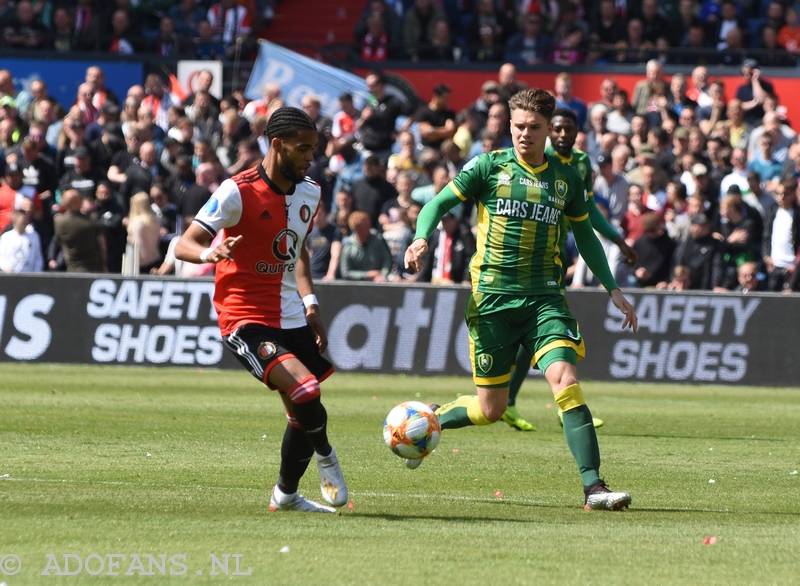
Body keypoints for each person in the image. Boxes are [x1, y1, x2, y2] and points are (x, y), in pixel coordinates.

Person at [404, 88, 638, 511]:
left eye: (533, 127)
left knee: (565, 381)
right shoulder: (488, 166)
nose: (524, 134)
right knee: (491, 409)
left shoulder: (566, 178)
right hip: (492, 301)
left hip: (545, 299)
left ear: (549, 130)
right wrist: (421, 239)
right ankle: (429, 420)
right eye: (518, 126)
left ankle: (594, 488)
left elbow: (584, 234)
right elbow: (436, 204)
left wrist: (613, 288)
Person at [175, 106, 347, 514]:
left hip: (290, 313)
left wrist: (310, 303)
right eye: (303, 149)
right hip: (244, 316)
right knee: (306, 388)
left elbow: (298, 249)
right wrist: (210, 251)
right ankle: (327, 457)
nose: (310, 157)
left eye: (314, 149)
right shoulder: (237, 190)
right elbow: (183, 244)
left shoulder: (310, 191)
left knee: (301, 408)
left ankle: (285, 496)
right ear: (276, 145)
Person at [502, 107, 637, 432]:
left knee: (539, 336)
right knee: (548, 333)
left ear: (578, 133)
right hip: (529, 258)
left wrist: (617, 239)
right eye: (557, 129)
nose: (563, 135)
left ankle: (518, 402)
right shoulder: (536, 155)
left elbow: (587, 209)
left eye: (569, 130)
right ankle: (556, 404)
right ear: (549, 130)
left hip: (558, 255)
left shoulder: (580, 163)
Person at [0, 208, 43, 273]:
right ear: (15, 220)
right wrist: (7, 268)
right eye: (23, 219)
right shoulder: (6, 237)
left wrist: (36, 273)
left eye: (26, 219)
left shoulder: (34, 236)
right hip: (11, 277)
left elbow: (38, 258)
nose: (25, 222)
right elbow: (1, 255)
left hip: (29, 277)